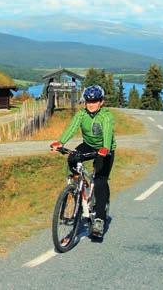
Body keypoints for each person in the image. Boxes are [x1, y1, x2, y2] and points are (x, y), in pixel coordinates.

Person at [50, 85, 116, 238]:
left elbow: (107, 131)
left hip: (105, 149)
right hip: (89, 145)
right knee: (72, 158)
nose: (91, 104)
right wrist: (61, 142)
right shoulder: (81, 115)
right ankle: (77, 188)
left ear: (101, 102)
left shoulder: (106, 116)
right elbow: (72, 128)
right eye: (88, 101)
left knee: (100, 180)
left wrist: (105, 148)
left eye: (95, 101)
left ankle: (99, 218)